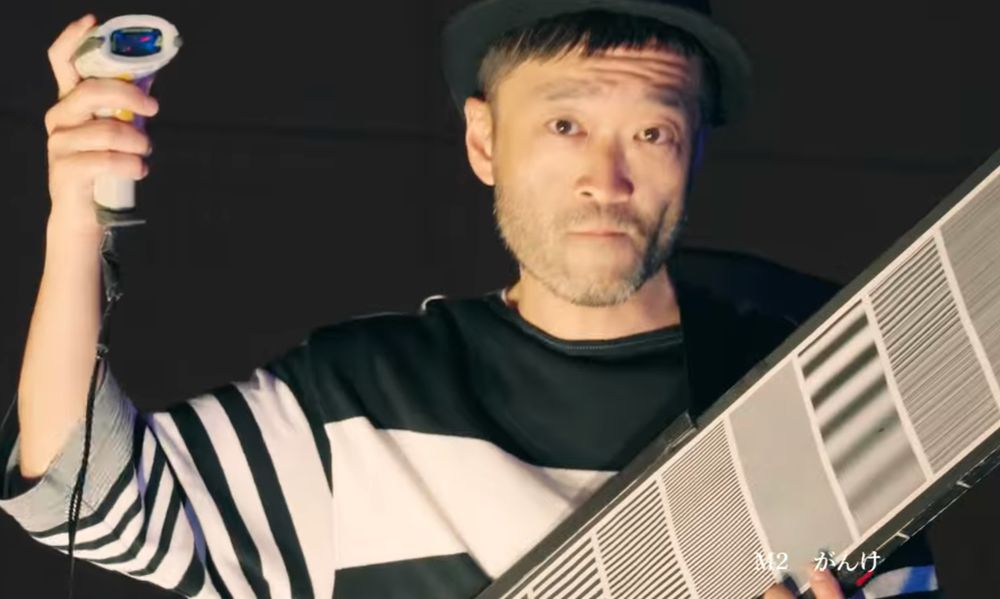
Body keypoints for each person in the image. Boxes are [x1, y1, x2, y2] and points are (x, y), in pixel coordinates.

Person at [0, 2, 942, 598]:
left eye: (651, 131)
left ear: (693, 153)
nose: (604, 180)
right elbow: (89, 502)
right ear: (484, 143)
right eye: (566, 123)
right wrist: (75, 225)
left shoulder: (819, 399)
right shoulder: (356, 405)